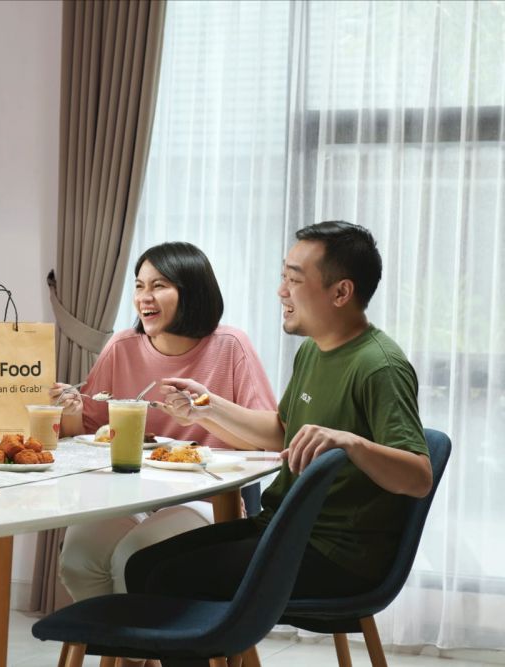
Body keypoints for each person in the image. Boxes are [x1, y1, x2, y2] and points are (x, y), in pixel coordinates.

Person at [125, 221, 433, 617]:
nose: (281, 291)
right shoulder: (313, 351)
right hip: (283, 527)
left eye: (294, 279)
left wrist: (351, 443)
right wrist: (207, 406)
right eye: (282, 277)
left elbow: (419, 476)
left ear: (341, 292)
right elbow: (280, 433)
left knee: (168, 579)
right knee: (142, 566)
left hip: (334, 553)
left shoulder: (379, 365)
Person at [48, 242, 276, 601]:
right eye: (139, 286)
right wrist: (73, 410)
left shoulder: (230, 346)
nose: (144, 297)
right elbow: (87, 435)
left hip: (207, 497)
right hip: (129, 495)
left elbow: (269, 436)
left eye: (159, 286)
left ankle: (142, 648)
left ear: (192, 291)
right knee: (78, 559)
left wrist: (206, 410)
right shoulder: (122, 346)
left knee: (134, 559)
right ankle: (122, 650)